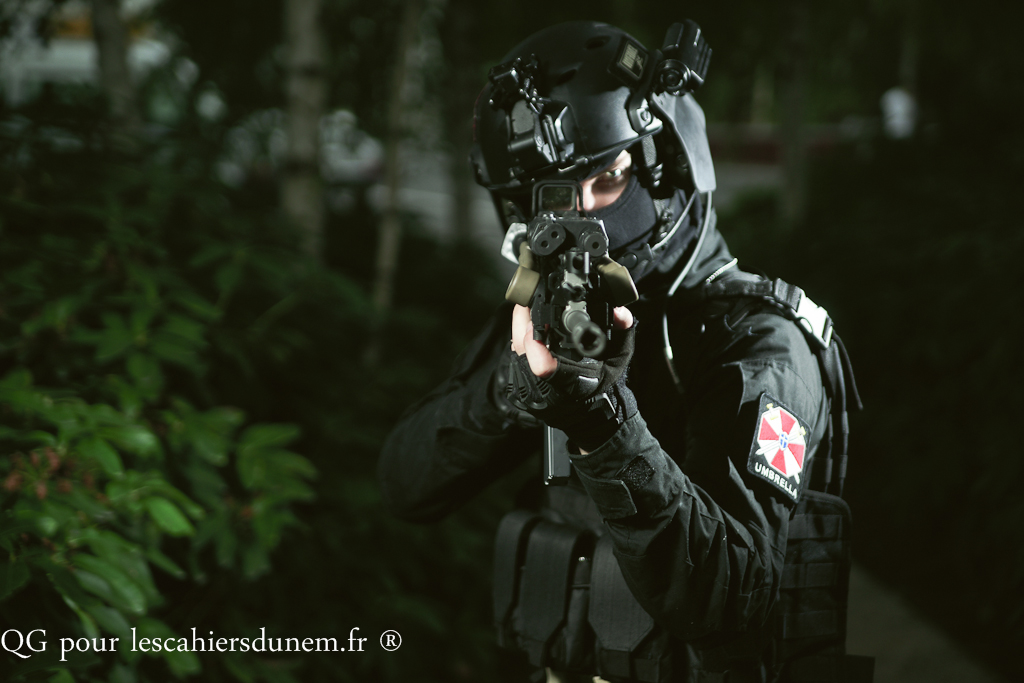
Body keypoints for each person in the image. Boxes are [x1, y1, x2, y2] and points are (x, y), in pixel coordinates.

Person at [378, 20, 870, 683]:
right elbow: (406, 484)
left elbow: (732, 595)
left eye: (609, 177)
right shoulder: (550, 312)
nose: (583, 222)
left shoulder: (759, 342)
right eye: (550, 200)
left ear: (668, 167)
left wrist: (600, 422)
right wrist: (506, 393)